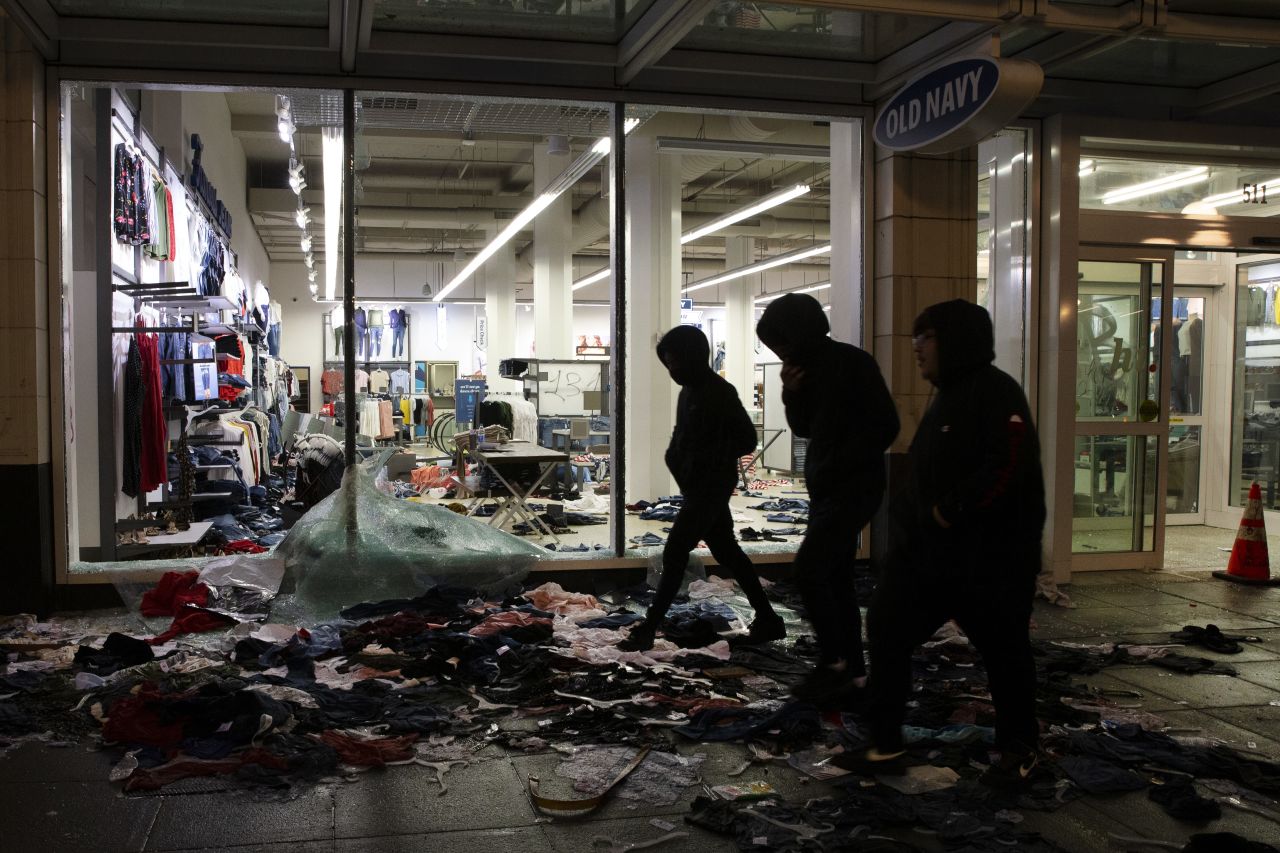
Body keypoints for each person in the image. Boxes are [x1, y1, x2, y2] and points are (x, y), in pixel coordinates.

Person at [850, 299, 1046, 786]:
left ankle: (1018, 747)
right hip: (934, 557)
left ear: (956, 340)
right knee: (888, 628)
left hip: (989, 560)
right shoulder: (949, 395)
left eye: (927, 337)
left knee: (1005, 651)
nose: (916, 348)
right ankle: (884, 743)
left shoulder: (996, 394)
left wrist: (946, 511)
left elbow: (1006, 466)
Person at [754, 293, 899, 701]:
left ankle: (833, 662)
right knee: (836, 581)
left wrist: (843, 458)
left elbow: (886, 425)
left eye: (781, 344)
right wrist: (790, 392)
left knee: (809, 570)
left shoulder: (853, 363)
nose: (779, 353)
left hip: (854, 486)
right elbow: (805, 428)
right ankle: (854, 673)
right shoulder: (805, 369)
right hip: (828, 488)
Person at [619, 325, 785, 651]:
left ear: (694, 357)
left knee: (675, 552)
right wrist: (679, 459)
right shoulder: (689, 393)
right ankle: (768, 618)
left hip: (711, 488)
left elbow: (747, 439)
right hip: (699, 489)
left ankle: (649, 629)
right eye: (667, 364)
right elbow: (682, 439)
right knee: (727, 552)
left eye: (675, 362)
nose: (671, 371)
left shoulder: (719, 392)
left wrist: (711, 458)